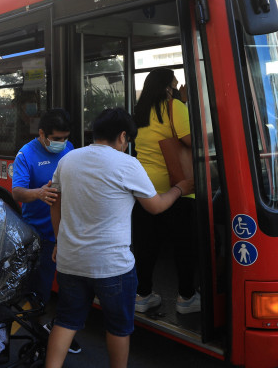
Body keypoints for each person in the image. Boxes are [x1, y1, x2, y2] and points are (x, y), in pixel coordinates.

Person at [45, 108, 194, 368]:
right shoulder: (127, 164)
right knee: (118, 328)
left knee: (66, 321)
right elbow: (155, 206)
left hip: (70, 261)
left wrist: (60, 240)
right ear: (123, 137)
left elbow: (53, 202)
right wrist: (179, 188)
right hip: (112, 267)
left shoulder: (69, 159)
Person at [11, 108, 81, 353]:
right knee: (39, 290)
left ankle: (62, 332)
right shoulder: (26, 155)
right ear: (42, 134)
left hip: (66, 233)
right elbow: (17, 192)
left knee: (69, 289)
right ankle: (36, 335)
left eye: (65, 138)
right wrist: (39, 193)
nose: (62, 143)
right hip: (39, 235)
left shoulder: (70, 148)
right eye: (56, 139)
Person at [132, 68, 200, 314]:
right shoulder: (174, 107)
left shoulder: (140, 111)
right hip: (177, 186)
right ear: (166, 87)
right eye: (175, 83)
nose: (177, 87)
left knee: (148, 244)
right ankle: (186, 297)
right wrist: (184, 103)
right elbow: (193, 141)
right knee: (184, 245)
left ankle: (142, 294)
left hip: (144, 187)